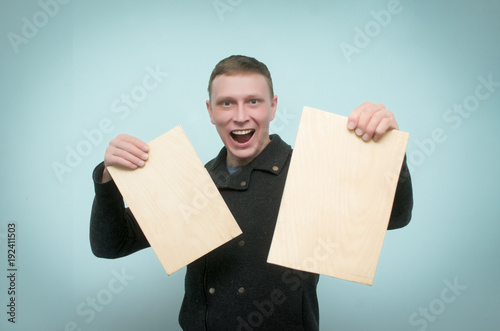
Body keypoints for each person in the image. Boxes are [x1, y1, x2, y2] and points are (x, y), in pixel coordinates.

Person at [90, 55, 413, 330]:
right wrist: (108, 178)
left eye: (253, 101)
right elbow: (111, 245)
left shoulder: (311, 172)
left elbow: (395, 217)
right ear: (210, 111)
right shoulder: (194, 181)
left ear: (273, 107)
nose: (240, 116)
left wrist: (390, 156)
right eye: (227, 103)